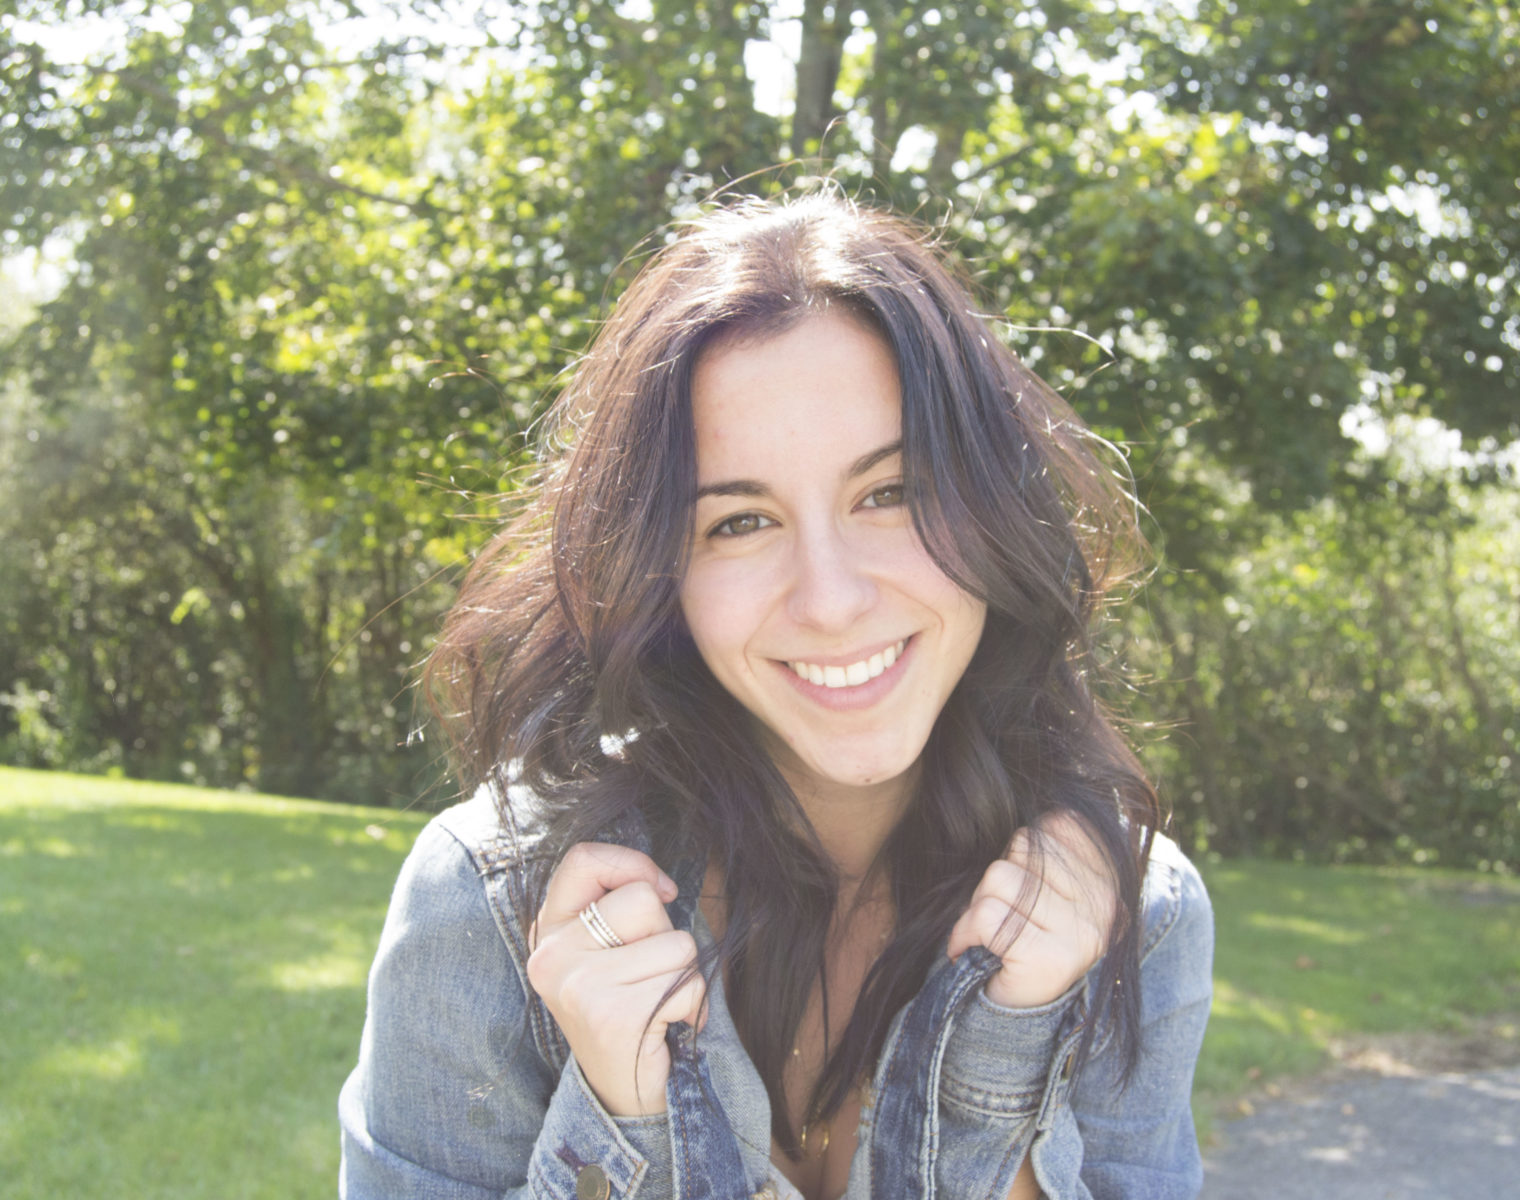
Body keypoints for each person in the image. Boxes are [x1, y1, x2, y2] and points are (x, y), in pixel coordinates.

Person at [338, 191, 1213, 1200]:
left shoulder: (1135, 915)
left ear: (991, 505)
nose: (830, 601)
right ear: (656, 569)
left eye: (891, 493)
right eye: (739, 523)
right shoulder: (487, 909)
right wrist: (628, 1126)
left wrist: (1000, 1066)